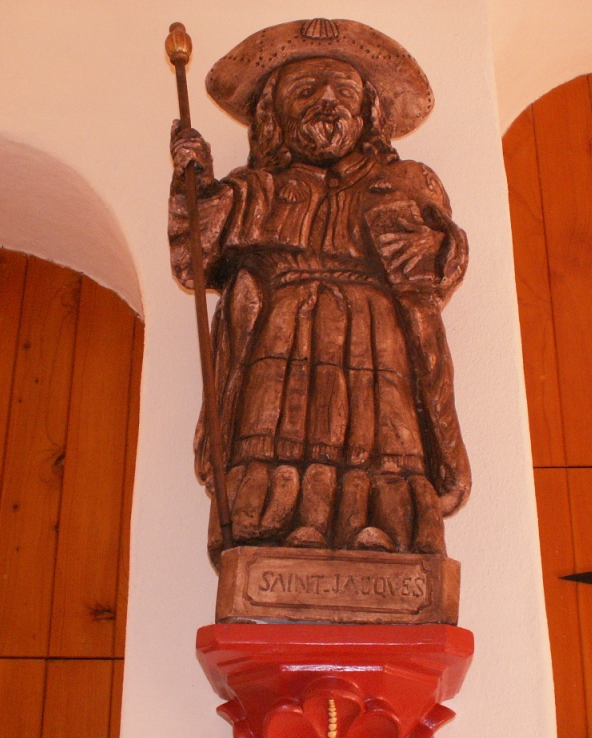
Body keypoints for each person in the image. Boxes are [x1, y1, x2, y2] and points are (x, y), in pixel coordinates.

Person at [169, 18, 470, 566]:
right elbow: (196, 262)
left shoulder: (407, 181)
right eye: (305, 92)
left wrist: (430, 245)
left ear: (368, 111)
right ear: (275, 115)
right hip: (281, 339)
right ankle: (279, 533)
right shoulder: (253, 189)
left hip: (377, 338)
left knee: (382, 440)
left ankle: (389, 535)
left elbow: (442, 258)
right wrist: (195, 182)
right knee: (278, 435)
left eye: (343, 92)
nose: (326, 102)